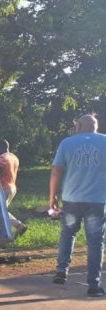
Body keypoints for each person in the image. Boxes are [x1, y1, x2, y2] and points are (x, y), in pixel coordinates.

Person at [49, 114, 106, 297]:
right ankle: (93, 286)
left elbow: (57, 171)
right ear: (95, 127)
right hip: (98, 200)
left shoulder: (67, 143)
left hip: (72, 198)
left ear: (79, 126)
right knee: (95, 242)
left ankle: (61, 271)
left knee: (68, 233)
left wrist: (52, 196)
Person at [0, 140, 27, 238]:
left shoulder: (1, 158)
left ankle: (17, 227)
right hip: (12, 187)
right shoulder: (13, 157)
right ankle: (4, 233)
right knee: (0, 211)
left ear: (1, 147)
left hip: (3, 188)